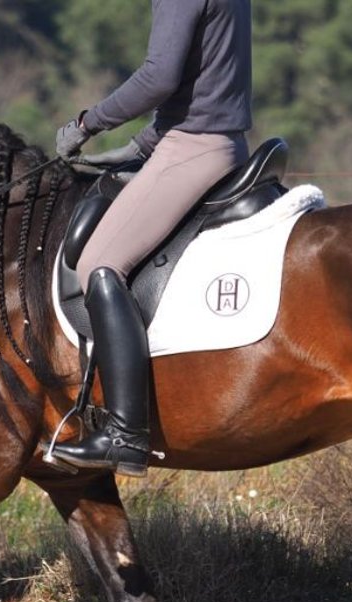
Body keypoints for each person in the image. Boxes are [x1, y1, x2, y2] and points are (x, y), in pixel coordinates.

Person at [49, 0, 253, 477]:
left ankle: (124, 434)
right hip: (206, 138)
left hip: (194, 146)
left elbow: (159, 77)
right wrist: (141, 146)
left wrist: (87, 123)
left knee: (99, 262)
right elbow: (208, 75)